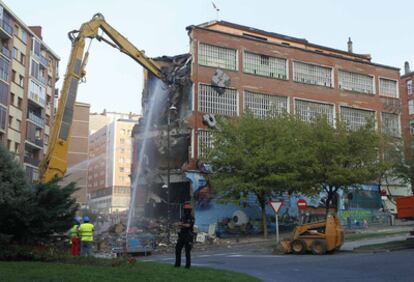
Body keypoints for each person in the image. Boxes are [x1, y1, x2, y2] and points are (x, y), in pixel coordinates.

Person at [174, 202, 195, 269]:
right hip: (182, 235)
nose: (186, 211)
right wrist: (177, 225)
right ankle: (177, 264)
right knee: (177, 249)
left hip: (188, 235)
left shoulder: (191, 217)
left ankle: (187, 266)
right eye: (185, 209)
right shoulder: (182, 217)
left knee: (187, 251)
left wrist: (181, 224)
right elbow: (181, 226)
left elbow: (188, 225)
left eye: (187, 209)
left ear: (190, 210)